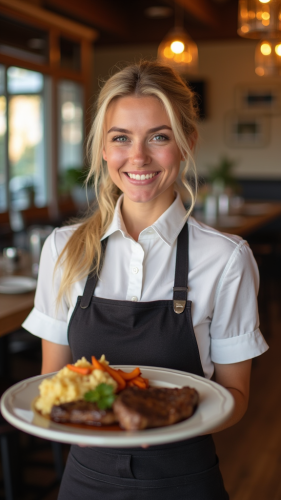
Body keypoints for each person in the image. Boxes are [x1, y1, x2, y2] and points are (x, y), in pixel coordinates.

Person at [23, 60, 268, 500]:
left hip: (183, 481)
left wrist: (167, 423)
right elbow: (52, 380)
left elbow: (235, 395)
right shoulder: (62, 248)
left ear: (187, 143)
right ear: (102, 148)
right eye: (121, 138)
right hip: (85, 481)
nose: (138, 157)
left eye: (159, 136)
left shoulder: (227, 258)